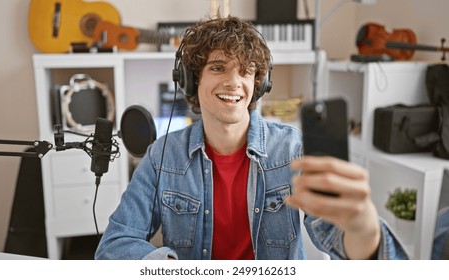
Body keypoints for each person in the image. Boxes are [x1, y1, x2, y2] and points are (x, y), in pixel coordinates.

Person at [95, 15, 408, 260]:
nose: (234, 82)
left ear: (258, 84)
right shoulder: (163, 155)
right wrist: (170, 267)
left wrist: (364, 232)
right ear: (191, 80)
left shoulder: (291, 148)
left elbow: (339, 236)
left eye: (246, 71)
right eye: (218, 68)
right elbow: (114, 245)